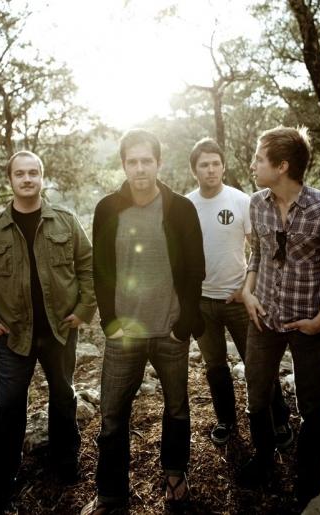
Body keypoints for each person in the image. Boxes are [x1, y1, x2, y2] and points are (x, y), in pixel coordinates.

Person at [81, 129, 205, 515]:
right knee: (112, 416)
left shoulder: (180, 208)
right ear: (123, 165)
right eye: (132, 161)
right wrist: (110, 323)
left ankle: (175, 477)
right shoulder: (107, 209)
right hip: (124, 334)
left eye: (146, 161)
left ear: (158, 163)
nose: (139, 168)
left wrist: (183, 324)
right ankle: (110, 494)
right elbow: (100, 270)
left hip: (170, 330)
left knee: (177, 408)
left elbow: (195, 269)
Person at [0, 151, 97, 515]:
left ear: (42, 177)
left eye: (33, 173)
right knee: (8, 405)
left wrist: (84, 310)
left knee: (63, 395)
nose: (27, 179)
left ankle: (64, 461)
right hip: (12, 334)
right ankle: (0, 480)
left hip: (59, 329)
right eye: (20, 174)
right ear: (10, 179)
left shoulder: (65, 221)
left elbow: (88, 267)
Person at [240, 127, 320, 507]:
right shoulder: (256, 203)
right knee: (257, 397)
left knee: (311, 406)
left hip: (308, 326)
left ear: (282, 166)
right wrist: (247, 292)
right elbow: (257, 254)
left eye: (259, 158)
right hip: (263, 320)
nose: (253, 164)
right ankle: (264, 460)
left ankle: (308, 478)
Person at [186, 138, 292, 448]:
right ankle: (226, 420)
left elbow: (259, 249)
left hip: (238, 299)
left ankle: (279, 419)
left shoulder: (241, 200)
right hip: (202, 301)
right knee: (215, 366)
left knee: (258, 364)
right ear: (194, 170)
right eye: (204, 165)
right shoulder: (186, 206)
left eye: (215, 163)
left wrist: (248, 288)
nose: (211, 170)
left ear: (223, 166)